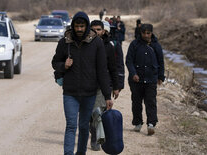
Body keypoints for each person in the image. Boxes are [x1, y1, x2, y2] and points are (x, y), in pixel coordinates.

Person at [52, 11, 113, 155]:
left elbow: (102, 71)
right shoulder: (64, 42)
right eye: (77, 26)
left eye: (82, 26)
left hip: (89, 93)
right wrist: (64, 66)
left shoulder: (97, 43)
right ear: (73, 26)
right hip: (70, 93)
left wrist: (107, 96)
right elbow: (55, 62)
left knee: (84, 126)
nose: (79, 29)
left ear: (87, 26)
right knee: (71, 125)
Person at [125, 24, 165, 136]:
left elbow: (161, 62)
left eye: (148, 33)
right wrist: (133, 73)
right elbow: (129, 61)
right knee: (136, 103)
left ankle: (151, 124)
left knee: (151, 102)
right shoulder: (134, 44)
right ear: (140, 33)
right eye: (144, 33)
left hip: (151, 79)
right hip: (136, 81)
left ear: (151, 33)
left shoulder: (156, 45)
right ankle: (137, 122)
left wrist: (161, 77)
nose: (146, 35)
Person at [89, 20, 121, 151]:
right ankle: (93, 133)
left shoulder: (109, 47)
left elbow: (114, 68)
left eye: (98, 29)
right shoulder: (85, 45)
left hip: (102, 86)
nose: (96, 32)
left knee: (98, 113)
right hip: (86, 85)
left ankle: (95, 139)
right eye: (93, 29)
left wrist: (116, 86)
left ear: (103, 31)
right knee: (88, 115)